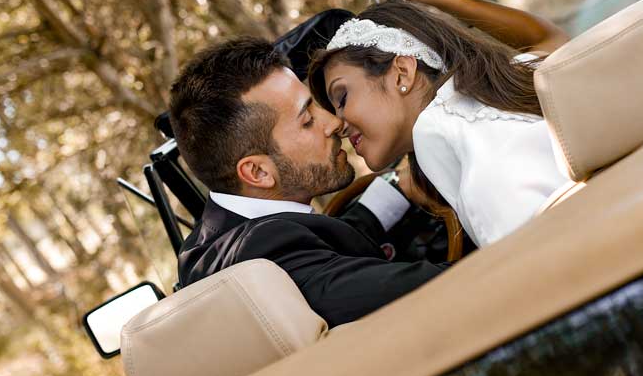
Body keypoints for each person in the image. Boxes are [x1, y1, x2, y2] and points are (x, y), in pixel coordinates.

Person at [308, 0, 572, 249]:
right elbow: (548, 38)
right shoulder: (506, 88)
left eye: (341, 98)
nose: (338, 123)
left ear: (402, 73)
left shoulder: (477, 157)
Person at [168, 37, 447, 327]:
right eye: (307, 120)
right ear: (258, 172)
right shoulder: (268, 263)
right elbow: (431, 288)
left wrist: (397, 188)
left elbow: (324, 241)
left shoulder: (206, 245)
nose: (334, 123)